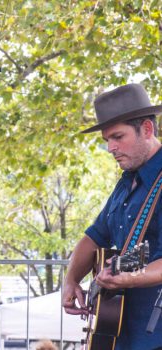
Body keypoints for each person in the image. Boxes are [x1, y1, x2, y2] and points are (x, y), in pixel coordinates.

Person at [62, 83, 162, 350]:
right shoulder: (126, 182)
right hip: (117, 334)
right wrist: (71, 280)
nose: (111, 148)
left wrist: (127, 278)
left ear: (147, 129)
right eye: (107, 140)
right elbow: (93, 237)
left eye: (118, 137)